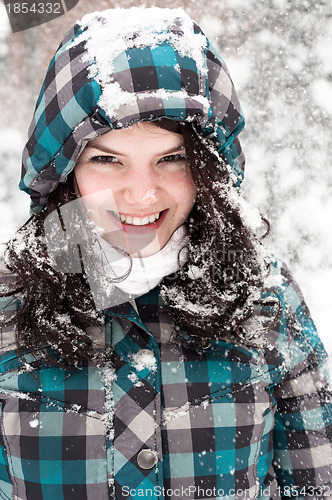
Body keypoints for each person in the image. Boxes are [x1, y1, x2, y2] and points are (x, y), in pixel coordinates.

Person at [0, 7, 331, 500]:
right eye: (107, 159)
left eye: (170, 158)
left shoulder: (267, 301)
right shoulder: (9, 309)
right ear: (65, 172)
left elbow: (317, 483)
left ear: (207, 166)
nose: (141, 194)